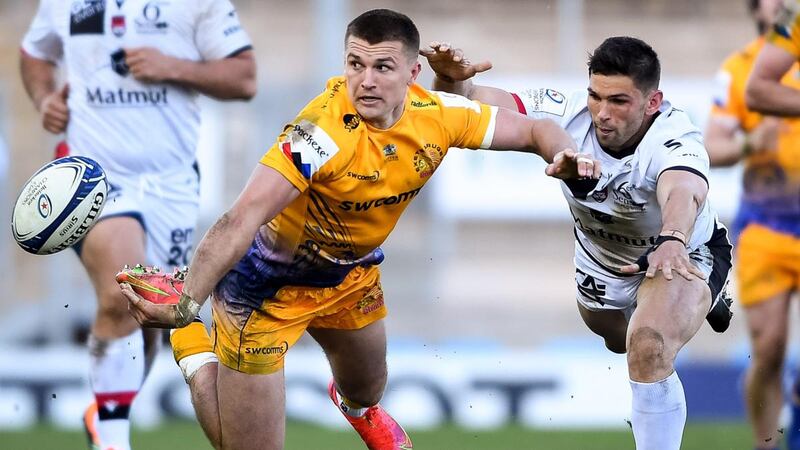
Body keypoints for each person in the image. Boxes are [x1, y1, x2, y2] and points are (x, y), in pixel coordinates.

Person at [118, 8, 599, 450]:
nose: (365, 81)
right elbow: (241, 216)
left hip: (349, 277)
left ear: (413, 75)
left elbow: (535, 129)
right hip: (266, 292)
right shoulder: (318, 134)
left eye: (383, 68)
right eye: (355, 64)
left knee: (366, 390)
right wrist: (187, 302)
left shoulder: (437, 114)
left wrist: (564, 154)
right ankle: (194, 345)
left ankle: (354, 407)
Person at [422, 36, 733, 450]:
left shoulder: (676, 136)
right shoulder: (562, 110)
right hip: (600, 261)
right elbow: (467, 101)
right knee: (616, 340)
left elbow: (683, 190)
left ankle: (705, 291)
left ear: (652, 102)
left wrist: (672, 239)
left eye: (619, 101)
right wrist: (450, 80)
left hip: (679, 253)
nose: (603, 113)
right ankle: (689, 308)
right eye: (595, 96)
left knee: (648, 346)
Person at [19, 1, 256, 449]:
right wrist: (44, 97)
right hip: (90, 176)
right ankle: (113, 438)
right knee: (121, 290)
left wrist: (174, 67)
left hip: (172, 183)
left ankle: (106, 408)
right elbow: (35, 53)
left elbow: (243, 78)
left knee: (150, 315)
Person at [708, 1, 800, 449]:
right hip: (767, 226)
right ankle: (767, 444)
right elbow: (712, 148)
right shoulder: (740, 69)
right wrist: (749, 143)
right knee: (770, 350)